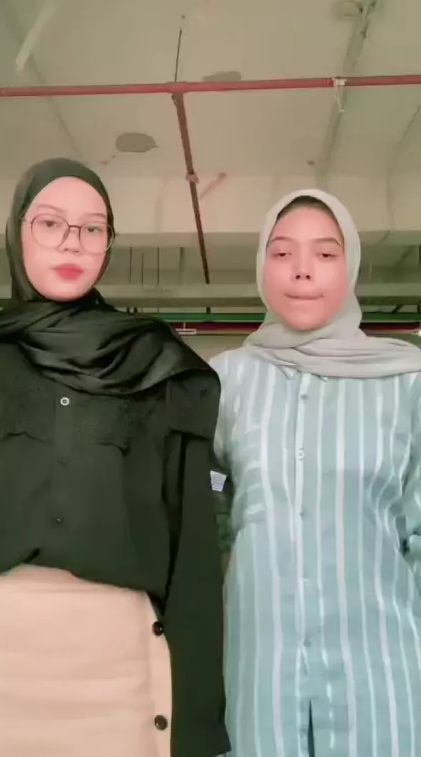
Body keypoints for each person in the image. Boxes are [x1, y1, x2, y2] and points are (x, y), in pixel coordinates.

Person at [0, 158, 229, 757]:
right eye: (51, 222)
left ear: (108, 244)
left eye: (93, 228)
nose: (72, 242)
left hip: (114, 678)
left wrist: (198, 722)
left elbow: (193, 556)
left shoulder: (158, 368)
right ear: (16, 232)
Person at [211, 188, 421, 757]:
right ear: (262, 265)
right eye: (282, 253)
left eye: (325, 254)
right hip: (261, 678)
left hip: (381, 680)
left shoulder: (406, 384)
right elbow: (203, 519)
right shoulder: (224, 383)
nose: (302, 270)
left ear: (350, 265)